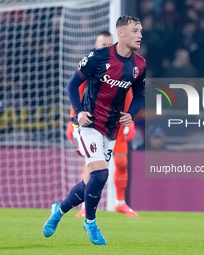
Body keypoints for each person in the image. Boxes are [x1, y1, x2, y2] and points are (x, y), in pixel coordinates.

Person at [43, 15, 146, 245]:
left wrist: (132, 114)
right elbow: (72, 84)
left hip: (112, 129)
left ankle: (59, 210)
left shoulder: (140, 65)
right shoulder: (98, 57)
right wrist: (78, 112)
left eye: (141, 31)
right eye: (136, 31)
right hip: (89, 124)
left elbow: (139, 95)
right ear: (121, 33)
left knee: (90, 182)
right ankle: (90, 222)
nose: (140, 35)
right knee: (101, 174)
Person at [66, 31, 138, 217]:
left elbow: (129, 94)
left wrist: (131, 120)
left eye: (108, 44)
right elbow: (77, 90)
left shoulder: (124, 66)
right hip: (93, 121)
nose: (104, 47)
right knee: (91, 165)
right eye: (101, 44)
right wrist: (73, 120)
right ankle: (84, 207)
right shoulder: (91, 64)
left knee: (121, 162)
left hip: (115, 122)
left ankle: (120, 203)